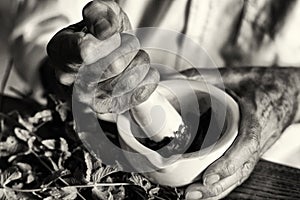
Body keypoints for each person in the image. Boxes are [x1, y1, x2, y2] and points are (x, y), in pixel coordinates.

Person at [2, 0, 300, 199]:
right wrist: (68, 66)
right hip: (106, 128)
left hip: (281, 164)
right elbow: (44, 21)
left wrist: (293, 91)